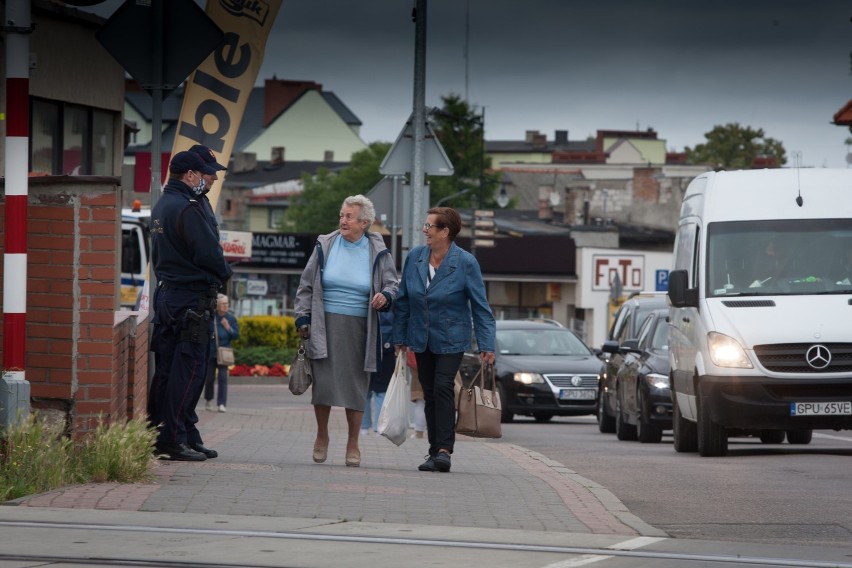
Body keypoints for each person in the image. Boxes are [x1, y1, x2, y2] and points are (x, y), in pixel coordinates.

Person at [294, 195, 398, 468]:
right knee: (324, 383)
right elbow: (306, 284)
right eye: (342, 215)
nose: (343, 220)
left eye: (349, 216)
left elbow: (393, 284)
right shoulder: (325, 244)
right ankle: (322, 436)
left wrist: (385, 296)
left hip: (361, 326)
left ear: (364, 222)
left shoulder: (378, 251)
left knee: (356, 386)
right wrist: (302, 317)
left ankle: (353, 442)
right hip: (324, 323)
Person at [392, 207, 496, 473]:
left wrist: (486, 344)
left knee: (442, 386)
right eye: (425, 226)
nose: (424, 231)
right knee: (429, 393)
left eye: (429, 227)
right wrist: (400, 337)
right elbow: (404, 299)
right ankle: (433, 450)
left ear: (445, 232)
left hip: (452, 337)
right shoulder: (415, 257)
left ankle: (444, 450)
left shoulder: (465, 262)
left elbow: (480, 306)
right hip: (421, 337)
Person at [149, 150, 233, 462]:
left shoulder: (162, 205)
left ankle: (172, 432)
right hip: (189, 297)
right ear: (191, 175)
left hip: (169, 295)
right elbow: (209, 253)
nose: (212, 178)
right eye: (207, 173)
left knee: (169, 371)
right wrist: (225, 273)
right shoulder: (188, 207)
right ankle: (173, 438)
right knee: (190, 371)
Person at [361, 310, 395, 436]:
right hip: (387, 347)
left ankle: (364, 427)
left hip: (365, 345)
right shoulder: (391, 294)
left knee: (365, 391)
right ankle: (378, 428)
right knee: (381, 391)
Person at [206, 294, 240, 413]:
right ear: (217, 305)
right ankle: (209, 399)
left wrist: (228, 328)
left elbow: (236, 335)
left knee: (222, 378)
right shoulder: (212, 317)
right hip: (211, 352)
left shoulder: (231, 319)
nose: (226, 306)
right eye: (223, 304)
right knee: (209, 378)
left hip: (224, 353)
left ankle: (222, 404)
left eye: (227, 304)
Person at [408, 351, 426, 439]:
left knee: (421, 400)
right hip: (442, 355)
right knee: (441, 399)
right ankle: (439, 432)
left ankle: (419, 432)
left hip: (418, 357)